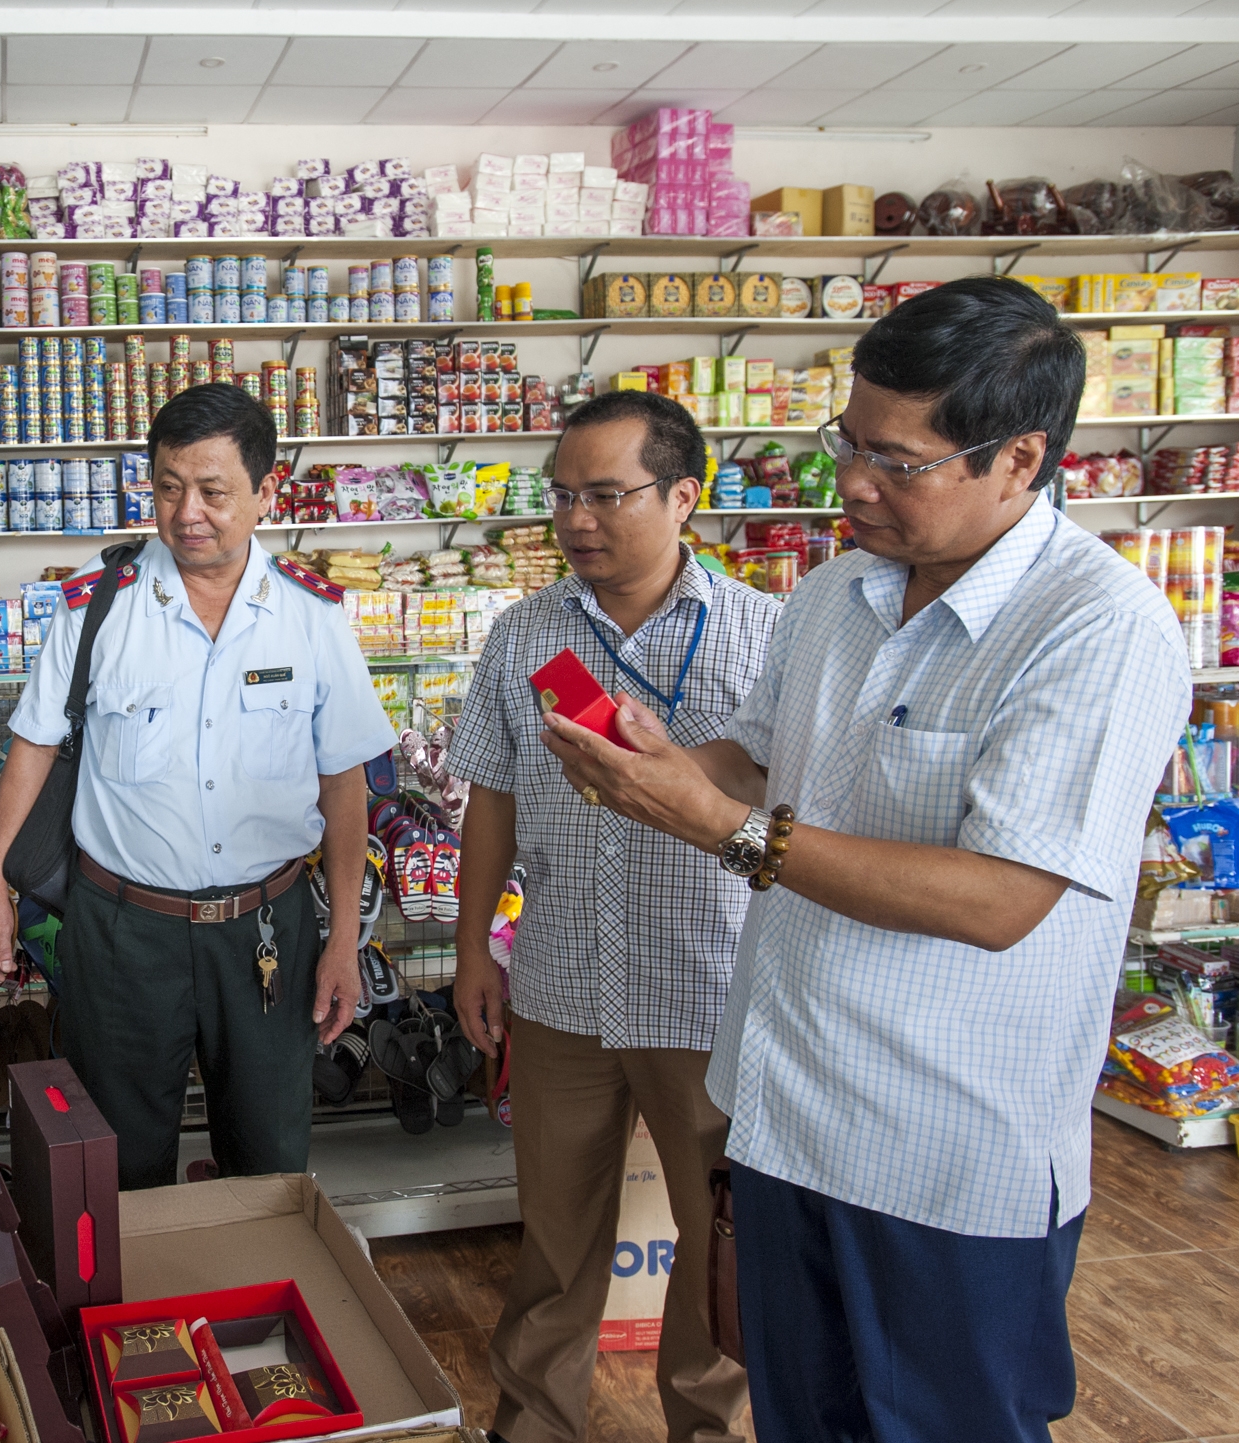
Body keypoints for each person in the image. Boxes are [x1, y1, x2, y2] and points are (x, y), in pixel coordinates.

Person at [542, 276, 1192, 1442]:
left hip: (944, 1150)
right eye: (848, 442)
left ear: (1018, 459)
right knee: (799, 1415)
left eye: (898, 462)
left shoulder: (1097, 629)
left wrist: (720, 826)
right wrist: (669, 766)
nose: (852, 483)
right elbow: (754, 755)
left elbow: (1002, 898)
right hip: (789, 1112)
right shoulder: (837, 592)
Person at [0, 383, 397, 1190]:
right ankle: (134, 1320)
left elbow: (344, 787)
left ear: (265, 494)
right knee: (119, 1164)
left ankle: (245, 1314)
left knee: (267, 1159)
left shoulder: (311, 618)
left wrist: (342, 940)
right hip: (123, 932)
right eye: (167, 487)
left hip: (265, 931)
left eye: (212, 490)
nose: (186, 511)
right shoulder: (97, 605)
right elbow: (31, 747)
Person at [451, 390, 773, 1443]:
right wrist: (471, 953)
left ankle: (706, 1427)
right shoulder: (525, 637)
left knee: (715, 1238)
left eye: (605, 494)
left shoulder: (768, 634)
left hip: (710, 989)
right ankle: (535, 1422)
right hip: (560, 985)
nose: (576, 518)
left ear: (683, 495)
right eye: (561, 496)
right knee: (555, 1239)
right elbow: (489, 800)